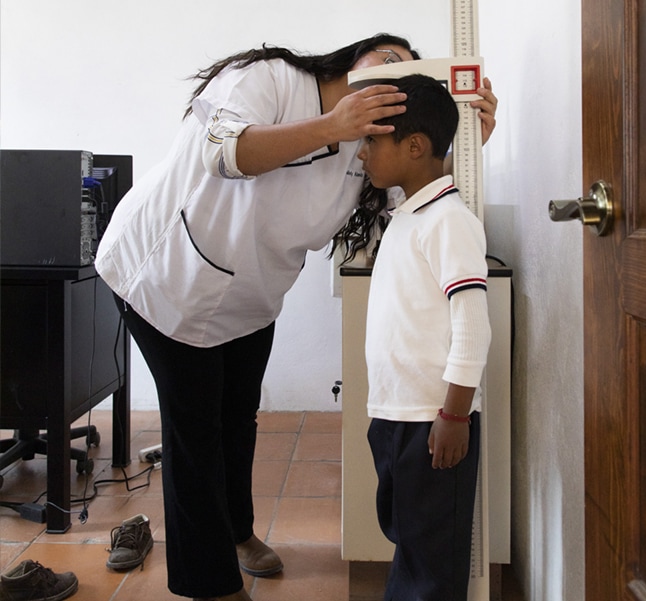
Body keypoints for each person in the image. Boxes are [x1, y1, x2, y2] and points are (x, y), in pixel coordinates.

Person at [94, 35, 497, 601]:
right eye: (387, 58)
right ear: (353, 55)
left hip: (249, 294)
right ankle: (209, 583)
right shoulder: (271, 79)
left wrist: (472, 144)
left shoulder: (365, 147)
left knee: (238, 417)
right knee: (195, 432)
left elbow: (415, 182)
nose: (392, 74)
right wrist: (334, 123)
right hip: (168, 277)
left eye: (406, 72)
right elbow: (225, 153)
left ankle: (235, 531)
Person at [359, 74, 492, 601]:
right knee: (411, 541)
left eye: (373, 140)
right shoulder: (408, 215)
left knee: (432, 561)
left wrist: (455, 414)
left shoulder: (448, 221)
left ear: (415, 146)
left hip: (434, 422)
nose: (363, 152)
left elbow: (472, 324)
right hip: (397, 416)